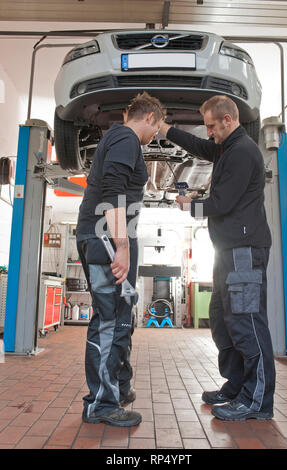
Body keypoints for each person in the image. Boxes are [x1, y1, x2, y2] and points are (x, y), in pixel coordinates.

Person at [160, 95, 275, 421]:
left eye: (212, 125)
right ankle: (236, 386)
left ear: (228, 120)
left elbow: (221, 203)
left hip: (244, 253)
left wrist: (190, 205)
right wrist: (167, 130)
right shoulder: (227, 147)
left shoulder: (242, 152)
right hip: (228, 251)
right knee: (224, 320)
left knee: (247, 322)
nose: (208, 132)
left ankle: (257, 402)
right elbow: (201, 146)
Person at [76, 92, 165, 427]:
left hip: (105, 235)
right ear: (151, 117)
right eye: (156, 130)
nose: (154, 137)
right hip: (106, 237)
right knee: (109, 319)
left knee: (121, 313)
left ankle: (118, 386)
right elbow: (113, 190)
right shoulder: (127, 138)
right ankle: (100, 405)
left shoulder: (119, 138)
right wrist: (122, 244)